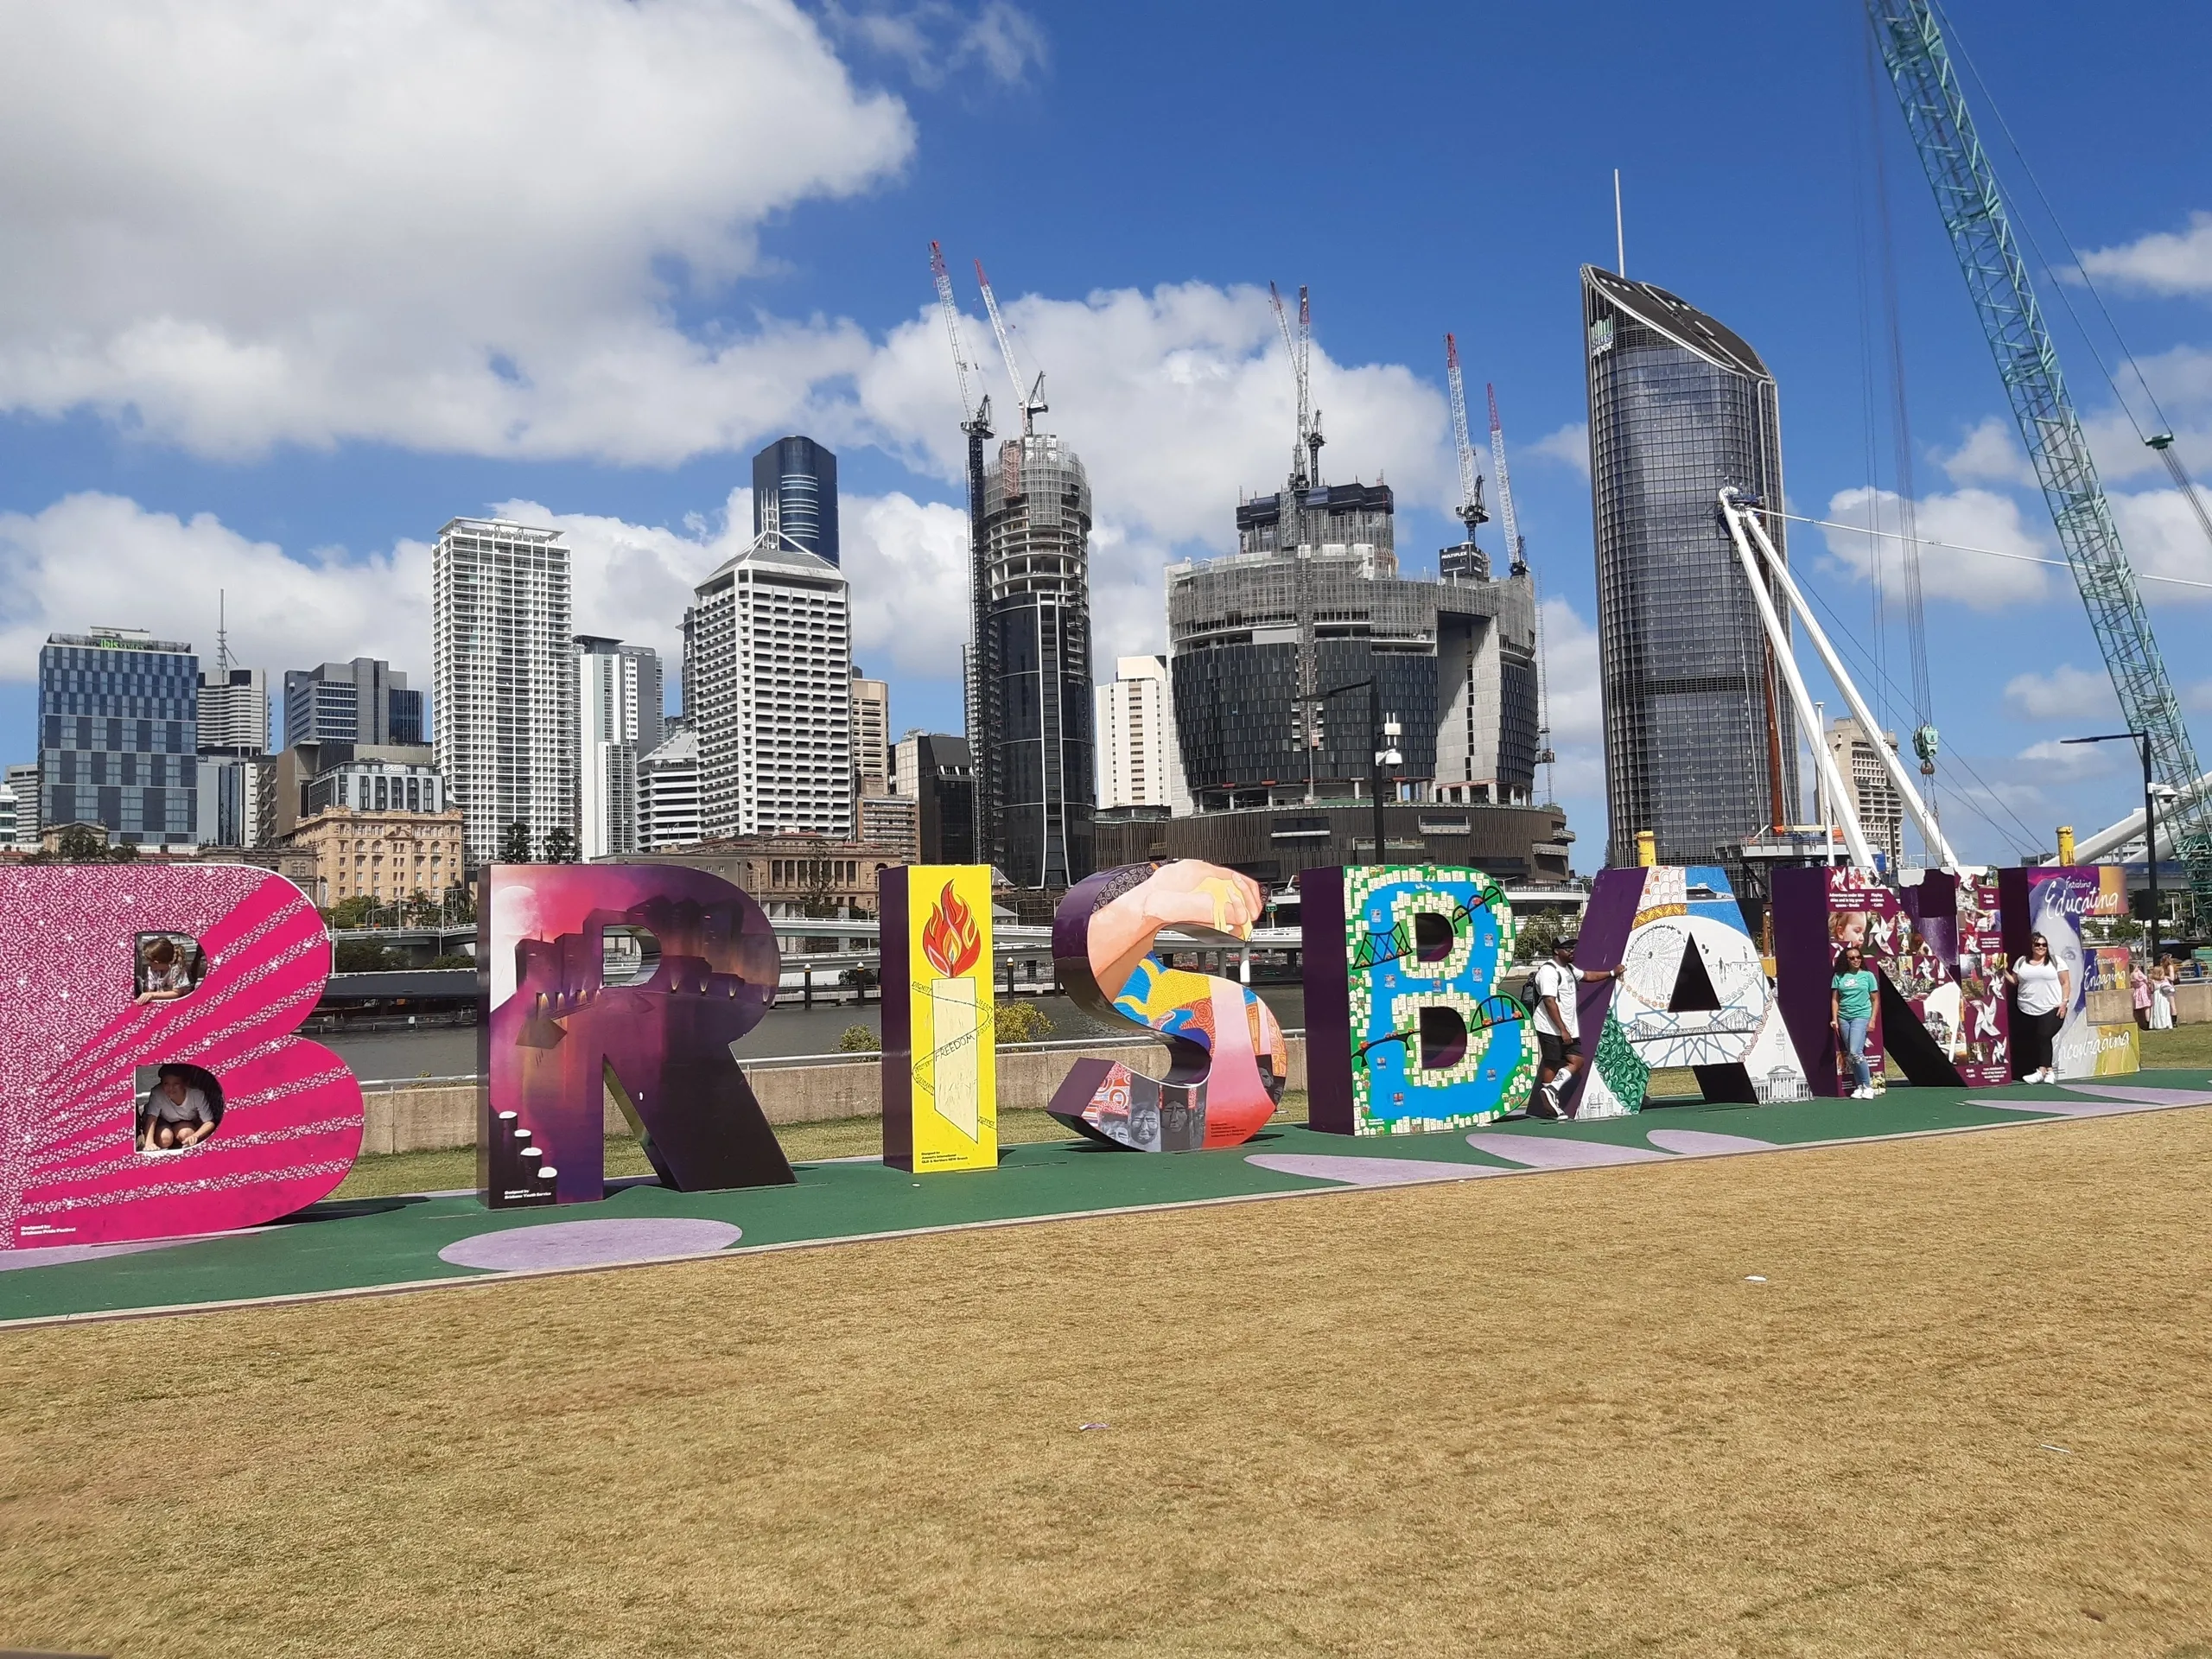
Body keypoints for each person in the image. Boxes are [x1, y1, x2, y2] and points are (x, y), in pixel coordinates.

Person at [1529, 933, 1623, 1121]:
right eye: (1568, 948)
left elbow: (1587, 975)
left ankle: (1551, 1091)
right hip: (1550, 1026)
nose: (1572, 951)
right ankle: (1550, 1101)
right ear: (1556, 951)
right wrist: (1562, 1029)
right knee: (1552, 1062)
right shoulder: (1548, 972)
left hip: (1568, 1027)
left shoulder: (1569, 969)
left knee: (1577, 1061)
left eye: (1573, 947)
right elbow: (1549, 1001)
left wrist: (1612, 973)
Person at [2003, 932, 2071, 1085]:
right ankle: (2048, 1071)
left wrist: (2064, 1002)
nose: (2041, 947)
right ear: (2032, 947)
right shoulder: (2021, 962)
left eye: (2044, 945)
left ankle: (2042, 1071)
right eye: (2038, 945)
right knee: (2036, 1039)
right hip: (2027, 1008)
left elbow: (2066, 982)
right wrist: (2003, 971)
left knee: (2044, 1035)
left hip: (2052, 1007)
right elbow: (2014, 980)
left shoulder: (2056, 961)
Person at [1830, 944, 1879, 1099]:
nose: (1856, 960)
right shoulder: (1839, 977)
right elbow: (1835, 1000)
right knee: (1851, 1055)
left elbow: (1875, 1000)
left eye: (1858, 957)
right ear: (1847, 960)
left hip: (1861, 1016)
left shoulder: (1868, 976)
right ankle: (1859, 1086)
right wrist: (1834, 1019)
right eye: (1852, 958)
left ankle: (1868, 1085)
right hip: (1844, 1017)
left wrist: (1872, 1019)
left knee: (1855, 1052)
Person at [138, 1065, 217, 1151]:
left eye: (176, 1084)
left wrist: (196, 1136)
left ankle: (178, 1142)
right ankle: (167, 1140)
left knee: (187, 1134)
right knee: (165, 1139)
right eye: (166, 1084)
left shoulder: (197, 1094)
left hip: (185, 1122)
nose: (170, 1088)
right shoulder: (157, 1093)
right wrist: (149, 1143)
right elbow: (152, 1118)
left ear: (185, 1083)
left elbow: (209, 1122)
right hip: (162, 1121)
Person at [135, 937, 194, 1005]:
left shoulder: (176, 970)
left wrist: (152, 995)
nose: (148, 964)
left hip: (180, 1004)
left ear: (156, 962)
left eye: (149, 961)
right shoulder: (152, 971)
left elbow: (176, 993)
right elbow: (149, 990)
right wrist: (146, 995)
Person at [2151, 957, 2177, 1032]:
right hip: (2163, 988)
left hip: (2167, 988)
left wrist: (2164, 977)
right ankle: (2165, 1021)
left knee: (2172, 1005)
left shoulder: (2170, 967)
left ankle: (2174, 1021)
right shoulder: (2164, 968)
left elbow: (2172, 978)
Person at [2132, 958, 2153, 1032]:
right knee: (2147, 1007)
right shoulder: (2138, 973)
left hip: (2137, 991)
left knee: (2142, 1009)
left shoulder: (2131, 975)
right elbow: (2146, 979)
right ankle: (2148, 1023)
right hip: (2143, 990)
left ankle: (2145, 1023)